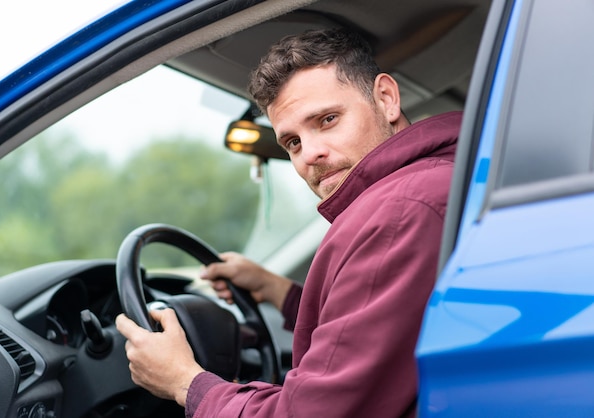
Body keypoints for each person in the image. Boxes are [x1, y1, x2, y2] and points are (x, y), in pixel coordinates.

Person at [116, 27, 461, 417]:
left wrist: (185, 381)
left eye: (327, 120)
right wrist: (277, 289)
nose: (309, 153)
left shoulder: (400, 213)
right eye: (292, 142)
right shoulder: (424, 187)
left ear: (385, 98)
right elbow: (367, 330)